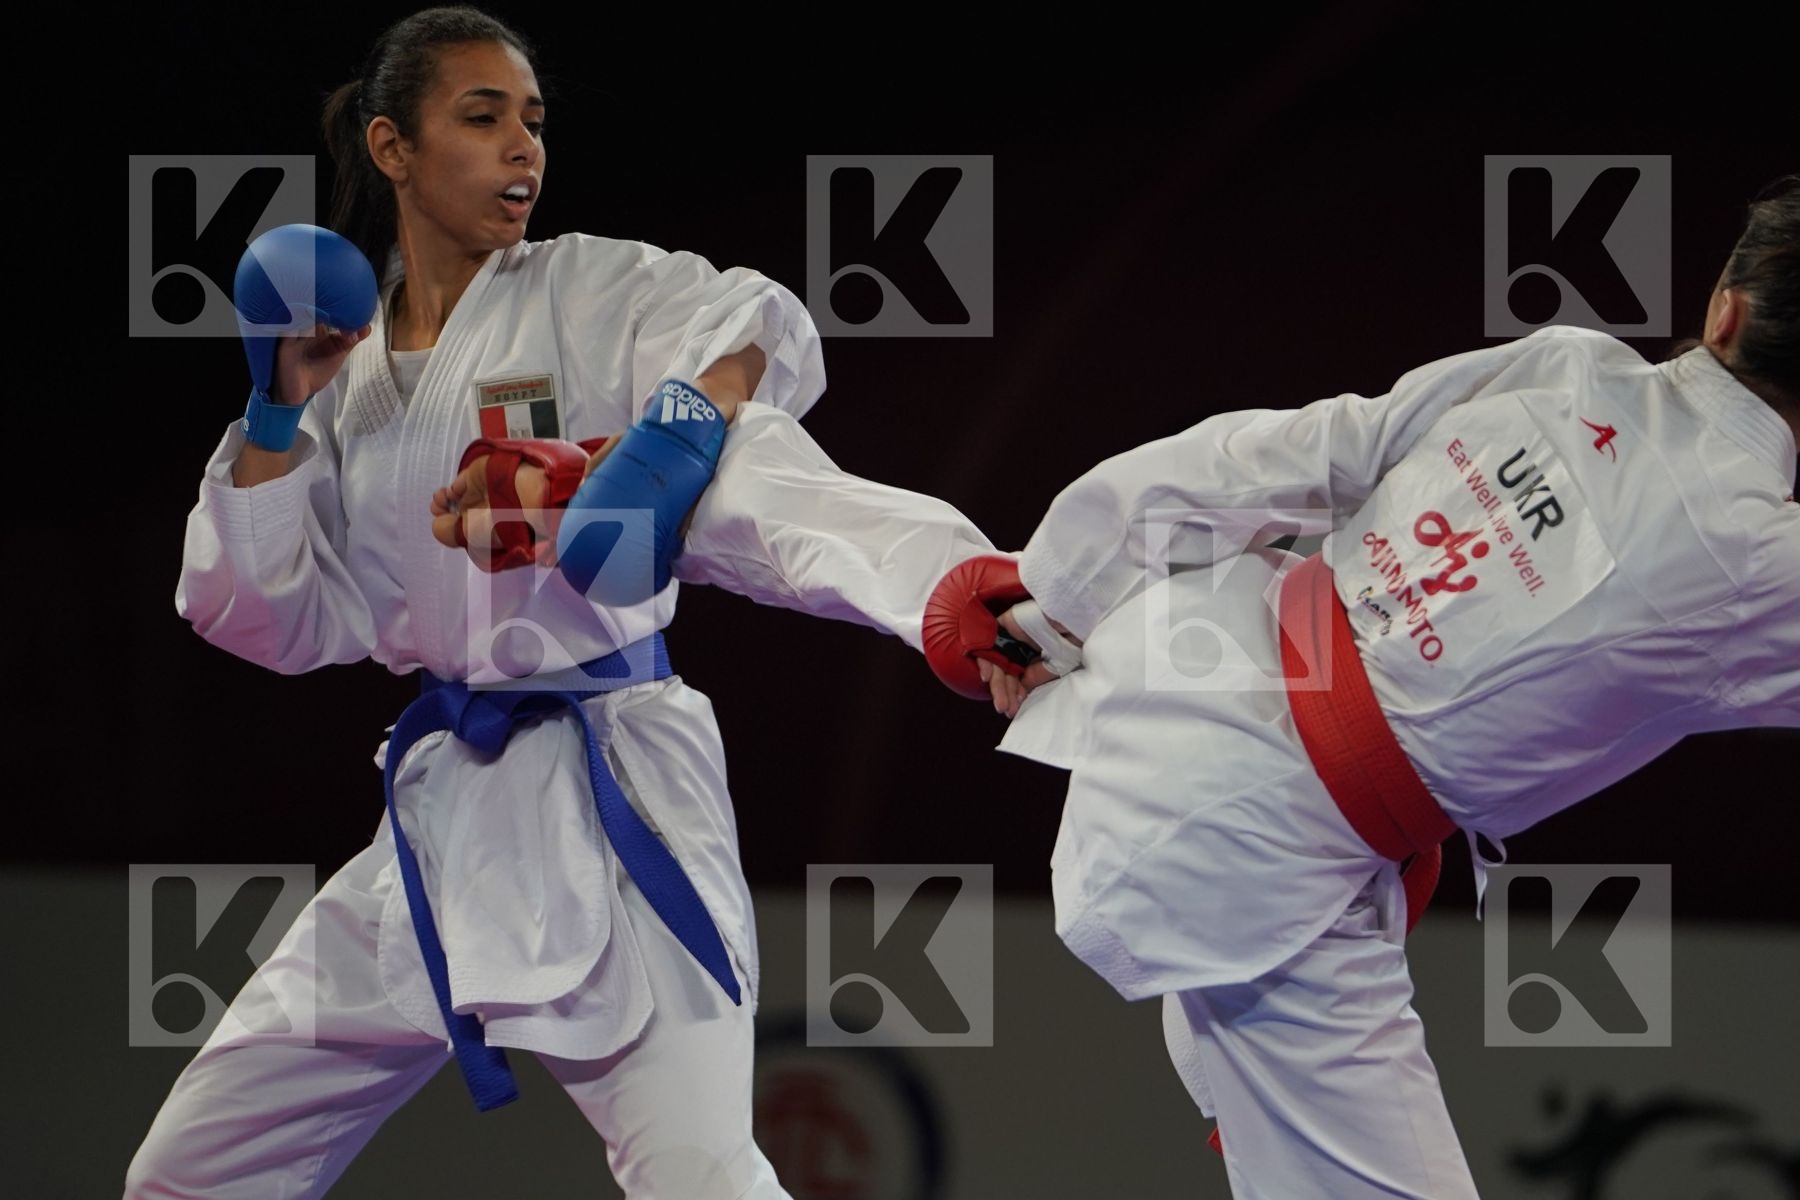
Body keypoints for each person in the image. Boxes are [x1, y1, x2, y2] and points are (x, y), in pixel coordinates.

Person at [128, 7, 993, 1198]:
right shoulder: (347, 371)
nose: (522, 148)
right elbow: (264, 617)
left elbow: (752, 318)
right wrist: (275, 409)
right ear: (392, 148)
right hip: (438, 822)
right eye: (481, 120)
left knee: (698, 1177)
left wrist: (677, 437)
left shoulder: (585, 286)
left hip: (615, 793)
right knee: (190, 1173)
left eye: (532, 121)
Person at [926, 175, 1800, 1198]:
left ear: (1724, 309)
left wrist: (1054, 598)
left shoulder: (1565, 363)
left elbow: (1286, 453)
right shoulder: (1764, 567)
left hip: (1179, 686)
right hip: (1261, 851)